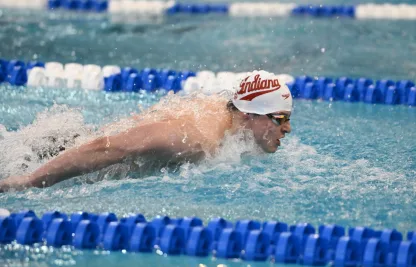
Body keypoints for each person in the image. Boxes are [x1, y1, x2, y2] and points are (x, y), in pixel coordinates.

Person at [0, 70, 292, 192]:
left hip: (74, 141)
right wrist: (29, 180)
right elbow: (112, 147)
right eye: (279, 118)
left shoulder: (225, 112)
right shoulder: (199, 139)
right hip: (71, 156)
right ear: (247, 114)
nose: (287, 128)